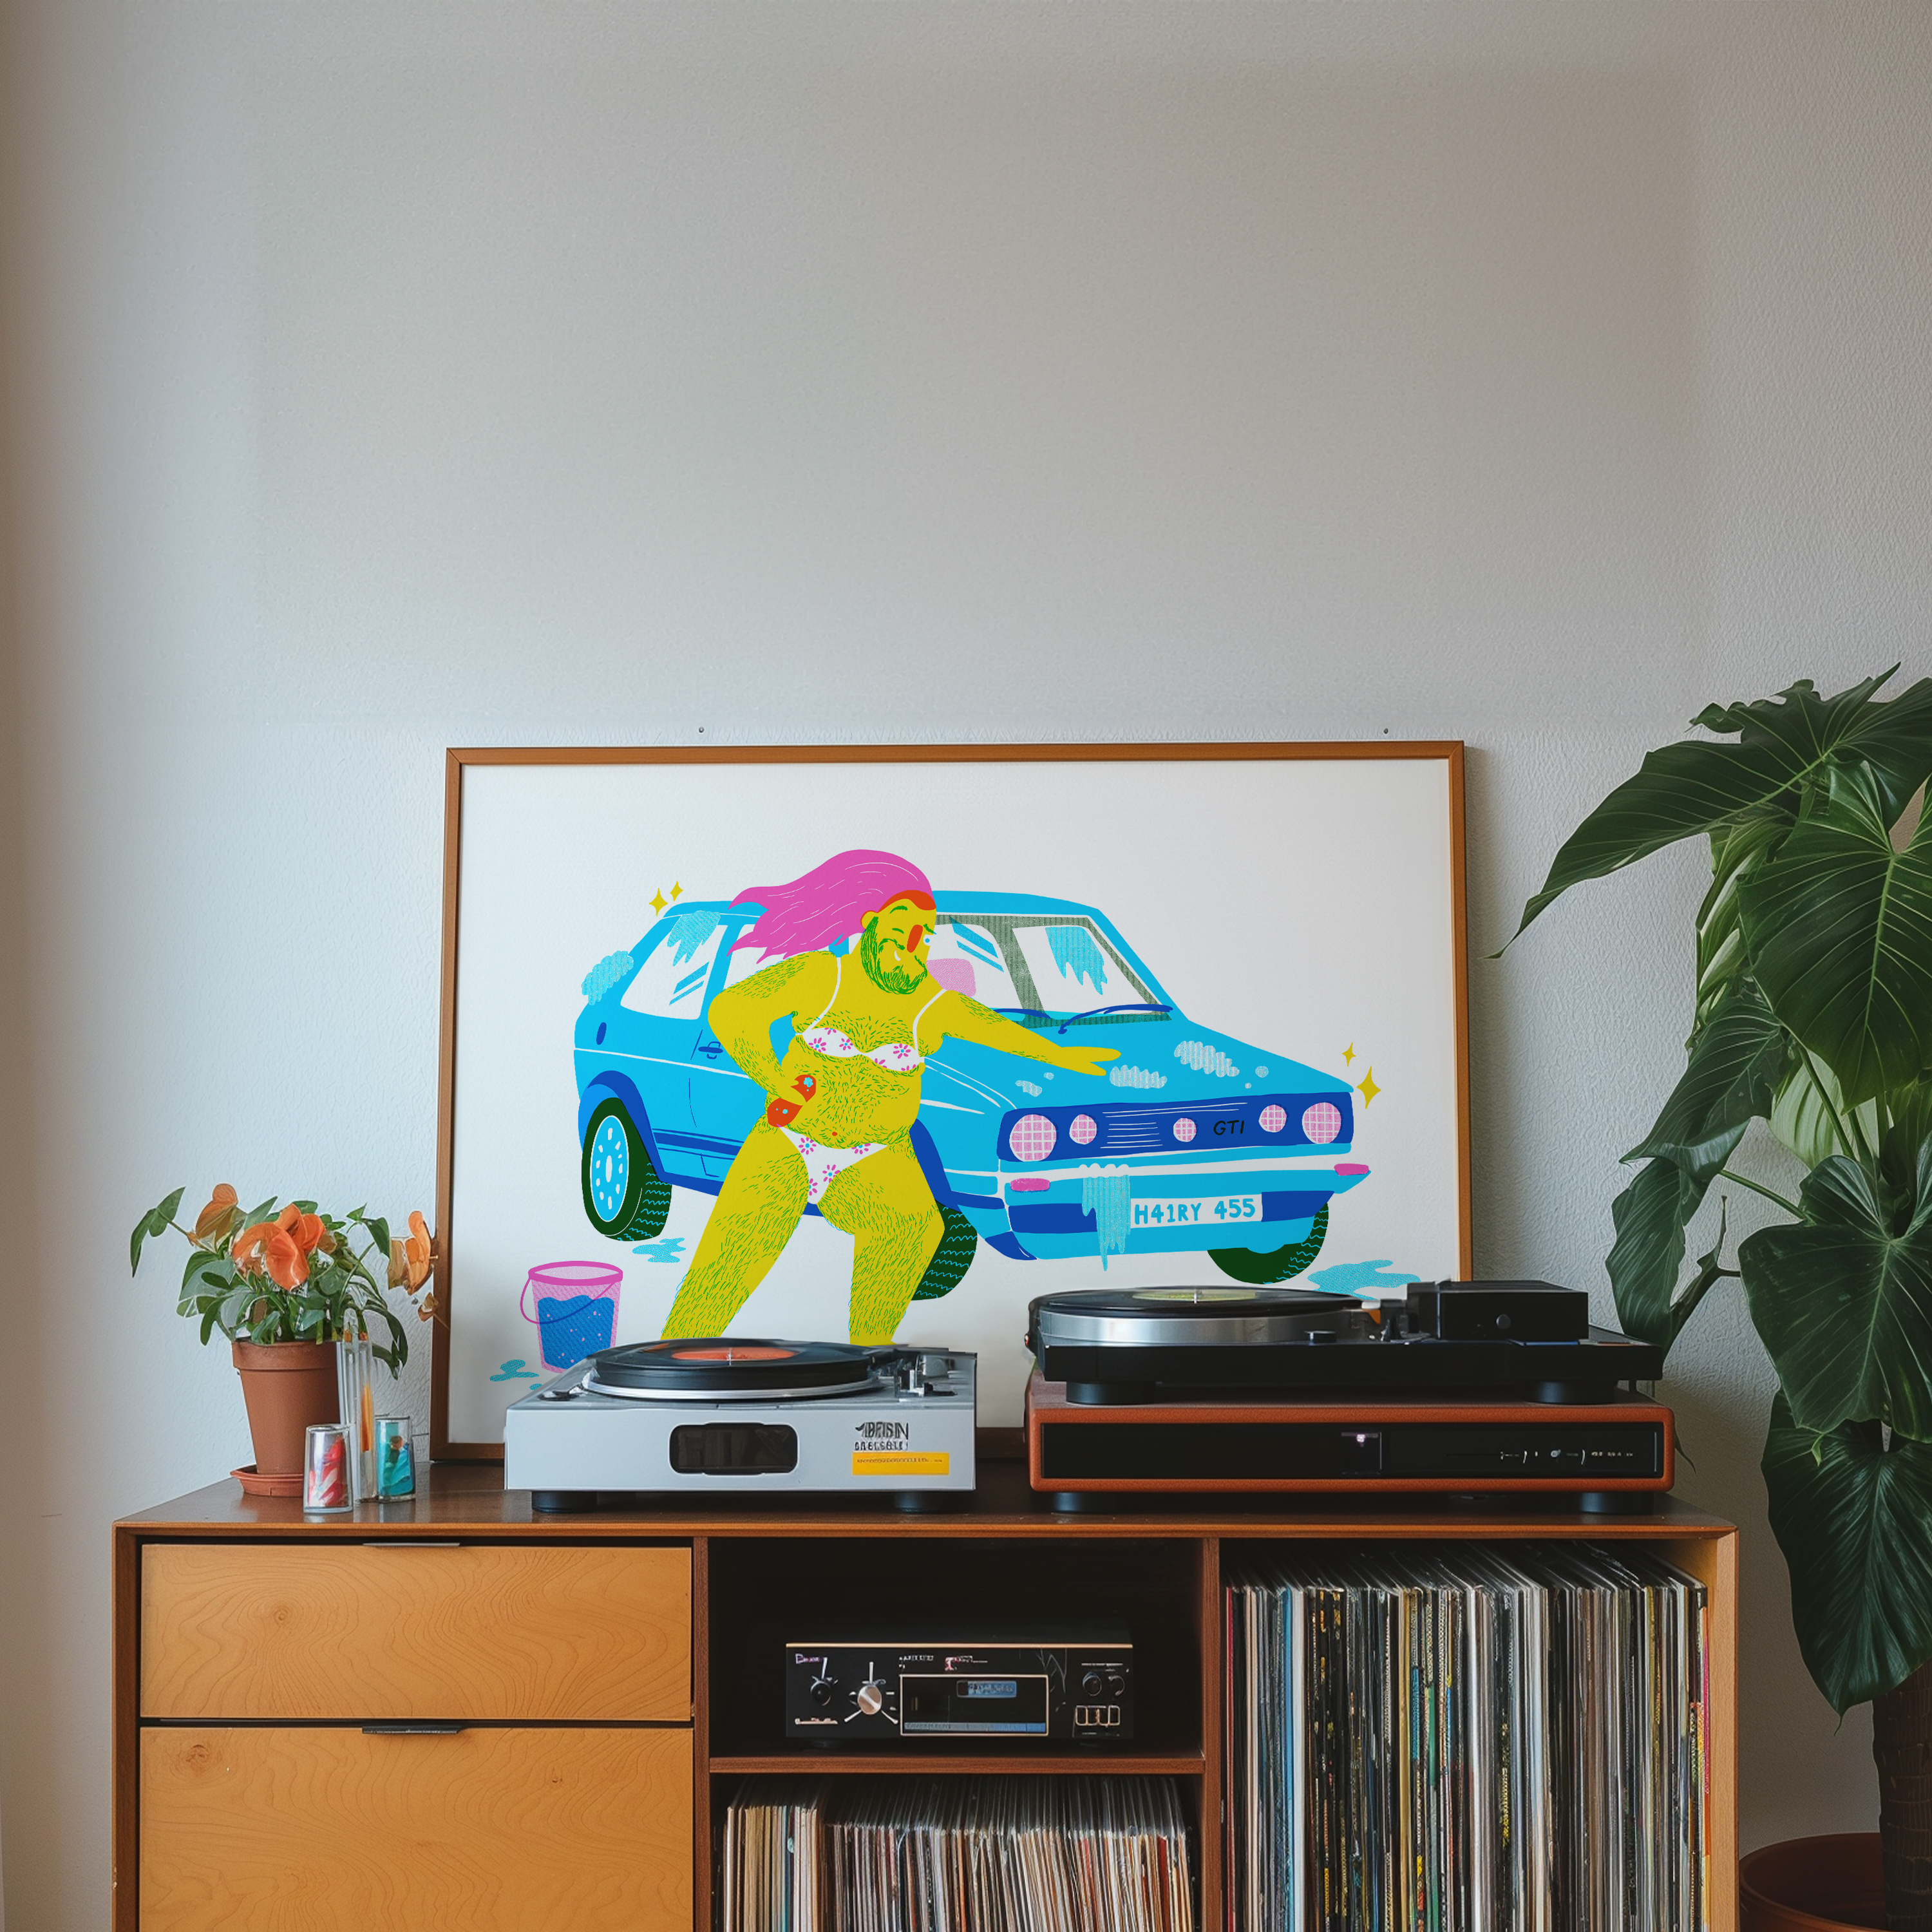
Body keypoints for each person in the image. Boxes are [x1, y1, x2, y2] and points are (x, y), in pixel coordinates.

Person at [661, 851, 1117, 1343]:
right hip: (791, 1143)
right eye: (903, 931)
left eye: (925, 935)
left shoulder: (927, 1000)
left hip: (874, 1155)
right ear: (871, 924)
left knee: (914, 1226)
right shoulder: (823, 976)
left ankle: (867, 1360)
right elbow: (733, 1011)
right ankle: (668, 1363)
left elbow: (992, 1029)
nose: (914, 946)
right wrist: (771, 1076)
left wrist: (1065, 1057)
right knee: (726, 1262)